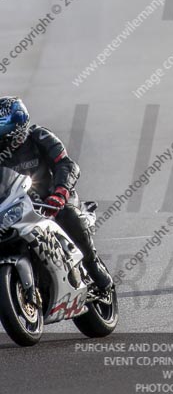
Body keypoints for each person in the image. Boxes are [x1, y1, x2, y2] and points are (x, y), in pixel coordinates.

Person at [0, 96, 112, 290]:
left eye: (7, 134)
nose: (4, 139)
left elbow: (66, 164)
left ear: (19, 128)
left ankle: (92, 264)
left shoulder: (39, 136)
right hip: (16, 208)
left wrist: (60, 193)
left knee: (67, 214)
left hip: (51, 200)